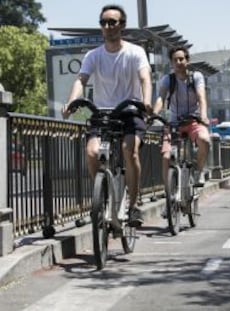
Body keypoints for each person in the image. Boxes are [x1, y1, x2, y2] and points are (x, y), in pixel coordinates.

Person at [61, 4, 152, 227]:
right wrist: (72, 101)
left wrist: (146, 101)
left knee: (128, 151)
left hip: (130, 111)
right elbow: (81, 80)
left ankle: (133, 206)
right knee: (92, 153)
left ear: (122, 25)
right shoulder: (94, 55)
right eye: (104, 22)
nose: (108, 26)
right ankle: (100, 196)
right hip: (103, 114)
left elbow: (144, 78)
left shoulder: (135, 52)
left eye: (113, 22)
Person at [153, 46, 210, 203]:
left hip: (193, 121)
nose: (178, 62)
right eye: (175, 60)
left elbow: (201, 97)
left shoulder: (196, 77)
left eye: (181, 59)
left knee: (205, 140)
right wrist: (153, 114)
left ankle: (198, 171)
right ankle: (169, 198)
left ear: (187, 60)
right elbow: (160, 99)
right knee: (166, 157)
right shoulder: (168, 80)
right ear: (171, 63)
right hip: (173, 124)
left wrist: (203, 116)